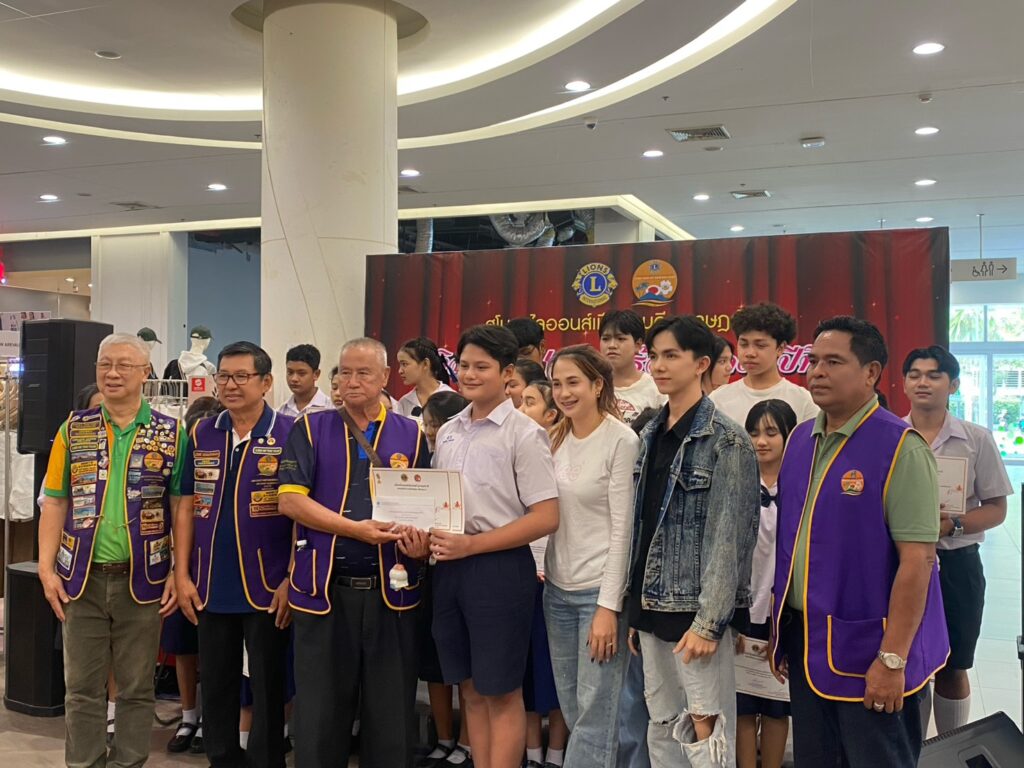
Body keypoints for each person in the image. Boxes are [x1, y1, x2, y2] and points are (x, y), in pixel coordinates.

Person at [770, 316, 949, 767]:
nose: (817, 372)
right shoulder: (800, 441)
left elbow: (918, 562)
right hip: (807, 641)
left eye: (833, 362)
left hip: (872, 648)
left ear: (870, 373)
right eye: (813, 361)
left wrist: (892, 659)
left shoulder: (901, 447)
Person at [279, 337, 431, 768]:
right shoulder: (311, 429)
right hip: (324, 590)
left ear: (385, 377)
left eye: (363, 373)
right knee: (319, 714)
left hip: (392, 592)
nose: (351, 381)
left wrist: (420, 543)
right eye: (345, 372)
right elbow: (290, 501)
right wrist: (355, 530)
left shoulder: (411, 434)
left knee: (391, 713)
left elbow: (426, 506)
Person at [39, 332, 185, 768]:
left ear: (145, 373)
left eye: (124, 365)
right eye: (105, 364)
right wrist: (46, 569)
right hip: (80, 578)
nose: (113, 373)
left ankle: (128, 763)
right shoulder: (74, 428)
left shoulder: (171, 432)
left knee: (137, 688)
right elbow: (55, 501)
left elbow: (181, 506)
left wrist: (178, 571)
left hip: (144, 579)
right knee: (81, 688)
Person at [626, 316, 759, 768]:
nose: (659, 366)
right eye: (654, 356)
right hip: (650, 603)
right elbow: (643, 526)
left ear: (701, 364)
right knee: (662, 722)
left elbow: (730, 538)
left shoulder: (727, 440)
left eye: (671, 355)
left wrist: (710, 622)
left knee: (707, 728)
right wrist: (634, 605)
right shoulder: (649, 434)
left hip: (695, 610)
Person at [430, 324, 559, 768]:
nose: (469, 374)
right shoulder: (449, 430)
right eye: (464, 365)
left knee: (501, 691)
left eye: (481, 367)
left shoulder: (524, 433)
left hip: (500, 570)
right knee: (469, 687)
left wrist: (473, 545)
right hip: (449, 566)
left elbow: (545, 517)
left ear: (507, 374)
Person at [174, 341, 294, 768]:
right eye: (223, 376)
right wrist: (182, 574)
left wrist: (291, 578)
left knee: (268, 684)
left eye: (242, 376)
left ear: (266, 382)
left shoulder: (291, 433)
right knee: (217, 682)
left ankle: (266, 760)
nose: (230, 385)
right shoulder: (202, 432)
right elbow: (185, 505)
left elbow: (304, 512)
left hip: (268, 583)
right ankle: (221, 758)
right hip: (209, 582)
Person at [902, 346, 1011, 734]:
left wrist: (955, 526)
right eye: (914, 374)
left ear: (953, 385)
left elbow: (997, 508)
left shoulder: (976, 439)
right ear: (904, 383)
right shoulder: (891, 436)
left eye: (934, 375)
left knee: (954, 663)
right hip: (902, 564)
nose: (923, 382)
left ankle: (949, 745)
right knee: (907, 662)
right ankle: (913, 752)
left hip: (957, 565)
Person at [544, 346, 640, 767]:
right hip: (556, 591)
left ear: (598, 385)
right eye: (556, 384)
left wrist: (608, 606)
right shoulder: (553, 437)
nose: (564, 393)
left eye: (573, 383)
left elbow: (623, 529)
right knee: (573, 708)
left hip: (597, 594)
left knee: (597, 714)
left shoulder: (621, 440)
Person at [736, 400, 796, 768]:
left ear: (789, 437)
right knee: (742, 703)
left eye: (771, 433)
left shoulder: (801, 487)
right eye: (754, 432)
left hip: (783, 611)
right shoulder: (737, 485)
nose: (761, 441)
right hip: (743, 609)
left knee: (776, 704)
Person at [165, 396, 223, 756]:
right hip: (181, 568)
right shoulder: (179, 458)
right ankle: (188, 716)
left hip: (218, 568)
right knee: (183, 646)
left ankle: (210, 720)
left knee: (215, 650)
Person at [419, 391, 474, 768]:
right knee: (435, 664)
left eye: (437, 424)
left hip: (467, 566)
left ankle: (468, 743)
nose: (431, 431)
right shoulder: (423, 459)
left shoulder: (468, 462)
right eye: (427, 424)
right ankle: (442, 738)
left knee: (467, 669)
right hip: (430, 571)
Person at [515, 380, 568, 768]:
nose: (521, 409)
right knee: (526, 673)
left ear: (551, 414)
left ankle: (557, 754)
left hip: (559, 578)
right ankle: (532, 754)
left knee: (559, 673)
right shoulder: (514, 448)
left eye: (530, 402)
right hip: (523, 576)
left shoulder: (566, 456)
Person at [710, 302, 818, 426]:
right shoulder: (718, 400)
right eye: (744, 344)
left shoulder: (803, 401)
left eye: (760, 345)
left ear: (781, 348)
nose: (750, 353)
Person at [598, 309, 665, 425]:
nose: (612, 345)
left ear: (638, 345)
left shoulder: (656, 389)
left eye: (620, 338)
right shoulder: (590, 386)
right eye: (606, 339)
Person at [397, 337, 454, 422]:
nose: (400, 371)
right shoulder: (404, 402)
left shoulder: (451, 399)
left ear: (425, 364)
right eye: (400, 365)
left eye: (404, 364)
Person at [278, 343, 332, 419]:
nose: (294, 379)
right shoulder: (281, 412)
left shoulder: (330, 409)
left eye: (301, 373)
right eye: (290, 372)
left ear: (316, 374)